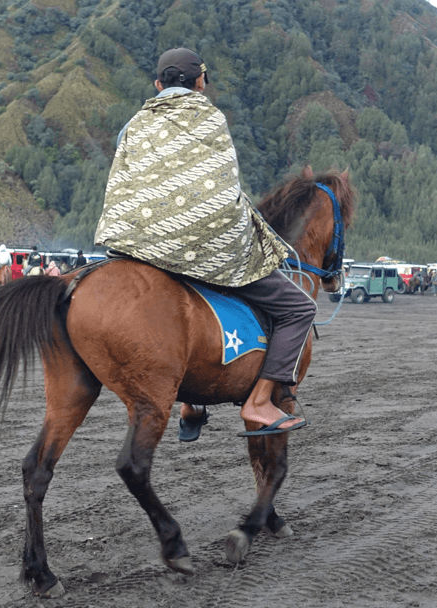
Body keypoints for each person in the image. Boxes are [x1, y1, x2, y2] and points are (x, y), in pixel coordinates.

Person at [95, 47, 312, 437]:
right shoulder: (212, 119)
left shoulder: (133, 124)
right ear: (201, 83)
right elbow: (223, 191)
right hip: (203, 245)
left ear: (158, 85)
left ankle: (191, 399)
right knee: (299, 308)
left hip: (135, 244)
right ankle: (261, 401)